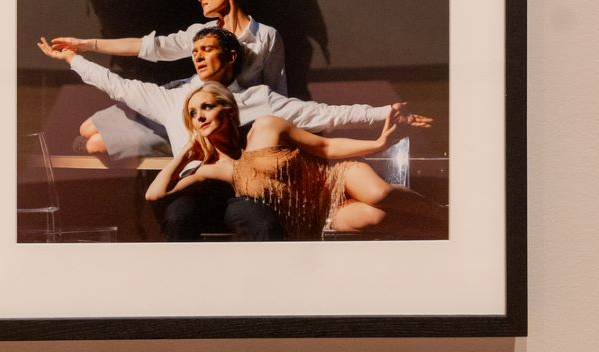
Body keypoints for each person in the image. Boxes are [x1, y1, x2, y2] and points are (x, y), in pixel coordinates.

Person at [37, 25, 432, 239]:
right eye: (194, 52)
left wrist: (387, 114)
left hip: (247, 188)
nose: (197, 56)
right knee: (179, 216)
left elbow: (325, 117)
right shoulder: (173, 100)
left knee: (259, 219)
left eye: (206, 50)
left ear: (229, 57)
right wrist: (73, 58)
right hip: (198, 183)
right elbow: (116, 85)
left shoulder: (261, 101)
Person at [145, 82, 445, 240]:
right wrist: (184, 154)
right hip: (319, 214)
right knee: (376, 218)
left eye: (206, 107)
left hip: (334, 177)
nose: (199, 116)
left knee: (380, 193)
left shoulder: (266, 126)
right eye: (193, 114)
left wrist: (378, 144)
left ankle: (446, 217)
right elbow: (154, 194)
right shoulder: (211, 169)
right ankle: (437, 235)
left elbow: (325, 146)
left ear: (228, 109)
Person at [50, 0, 287, 158]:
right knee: (86, 129)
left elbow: (276, 90)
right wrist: (86, 44)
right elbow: (150, 47)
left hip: (211, 119)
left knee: (95, 144)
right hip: (177, 100)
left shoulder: (266, 36)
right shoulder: (202, 33)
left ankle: (169, 143)